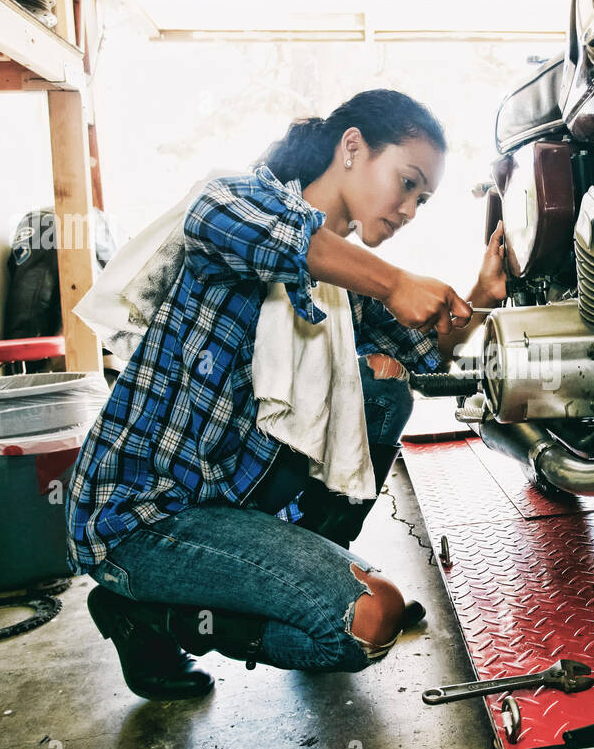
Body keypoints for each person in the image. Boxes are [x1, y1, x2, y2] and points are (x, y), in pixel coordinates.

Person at [66, 89, 512, 700]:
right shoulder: (236, 198)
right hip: (140, 516)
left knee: (386, 391)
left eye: (423, 199)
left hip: (233, 508)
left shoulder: (344, 287)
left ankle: (322, 558)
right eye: (406, 183)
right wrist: (393, 282)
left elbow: (426, 358)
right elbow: (254, 232)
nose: (410, 209)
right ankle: (144, 616)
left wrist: (484, 295)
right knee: (368, 620)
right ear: (352, 147)